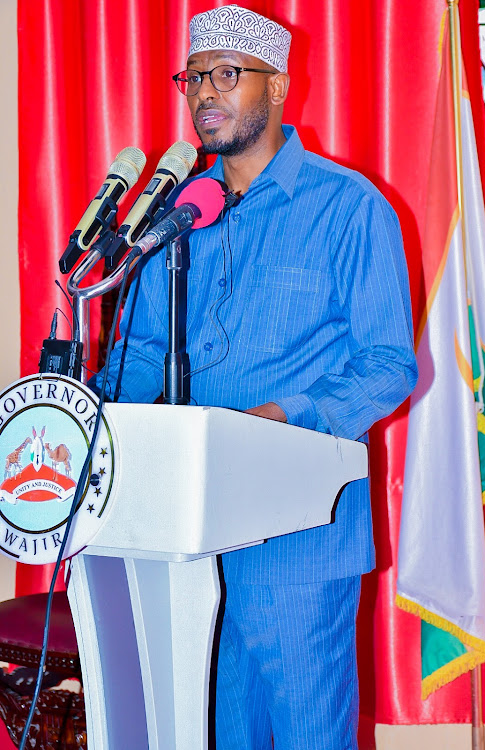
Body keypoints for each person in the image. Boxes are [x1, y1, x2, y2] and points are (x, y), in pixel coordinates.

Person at [93, 5, 418, 749]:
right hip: (187, 535)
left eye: (227, 75)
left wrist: (284, 420)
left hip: (300, 541)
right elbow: (139, 354)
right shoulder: (174, 215)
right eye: (194, 77)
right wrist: (102, 420)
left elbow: (388, 365)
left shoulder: (349, 209)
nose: (205, 92)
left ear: (276, 89)